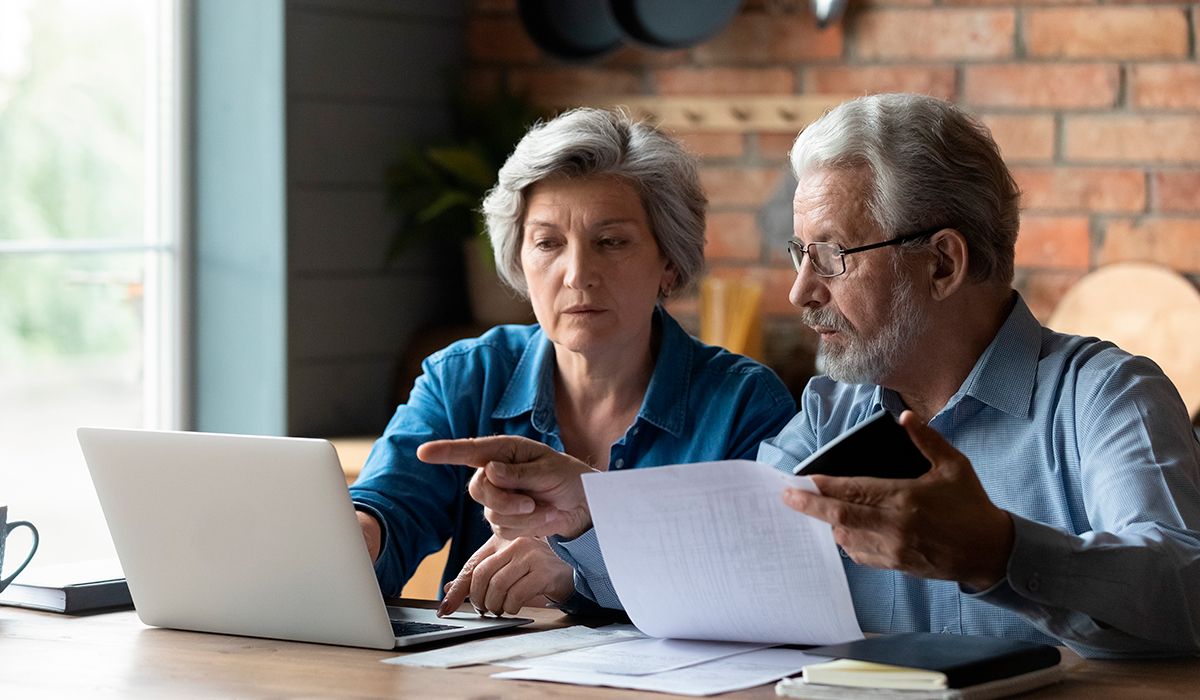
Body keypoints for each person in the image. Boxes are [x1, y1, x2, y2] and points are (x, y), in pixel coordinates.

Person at [455, 94, 1200, 658]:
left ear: (942, 262)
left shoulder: (1105, 395)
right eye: (798, 254)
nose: (801, 292)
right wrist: (591, 511)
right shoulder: (829, 413)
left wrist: (998, 551)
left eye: (833, 257)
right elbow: (723, 567)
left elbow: (1186, 590)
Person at [349, 107, 795, 617]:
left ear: (669, 262)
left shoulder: (744, 404)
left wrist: (580, 571)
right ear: (520, 260)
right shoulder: (466, 377)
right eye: (548, 243)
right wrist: (360, 538)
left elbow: (759, 582)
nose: (578, 274)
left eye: (611, 242)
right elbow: (391, 506)